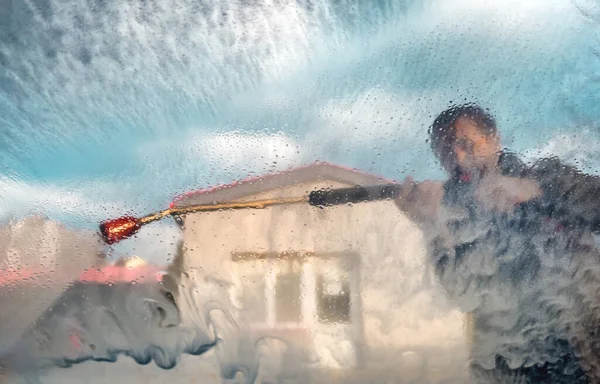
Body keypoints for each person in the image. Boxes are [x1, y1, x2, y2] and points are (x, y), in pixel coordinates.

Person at [394, 104, 600, 383]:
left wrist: (535, 193)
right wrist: (431, 226)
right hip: (507, 364)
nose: (457, 156)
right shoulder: (453, 211)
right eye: (445, 151)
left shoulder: (547, 176)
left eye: (466, 144)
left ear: (495, 140)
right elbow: (461, 291)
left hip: (583, 349)